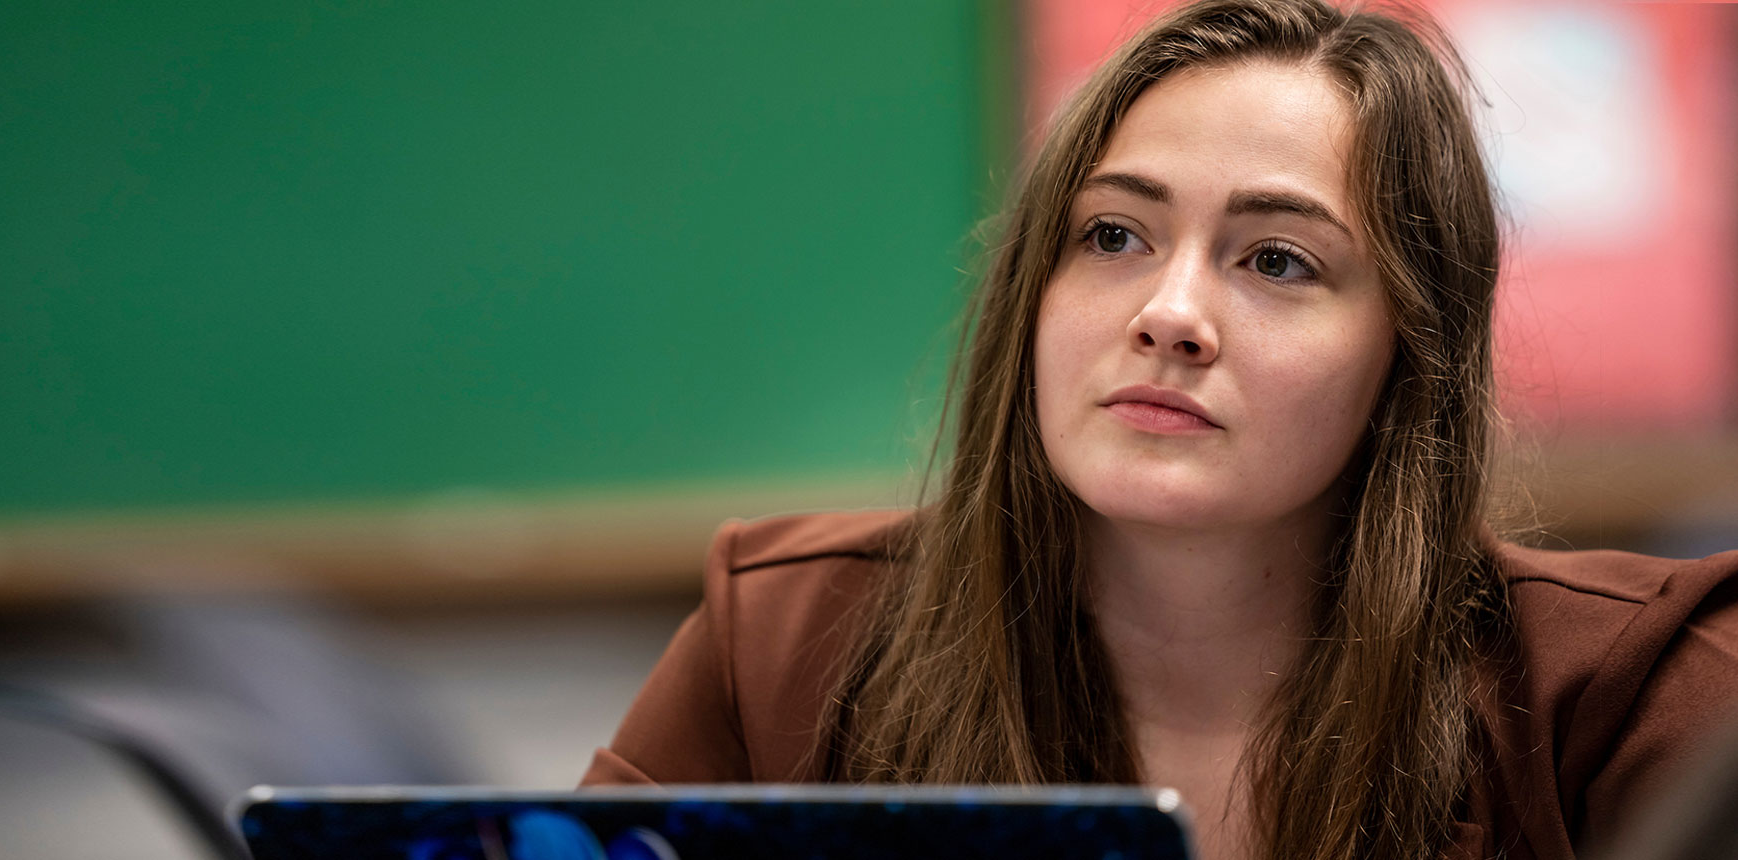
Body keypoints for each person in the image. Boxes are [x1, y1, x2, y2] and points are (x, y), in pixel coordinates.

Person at [580, 1, 1738, 859]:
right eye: (1113, 236)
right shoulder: (780, 641)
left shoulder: (1635, 694)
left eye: (1276, 260)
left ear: (1409, 356)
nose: (1170, 313)